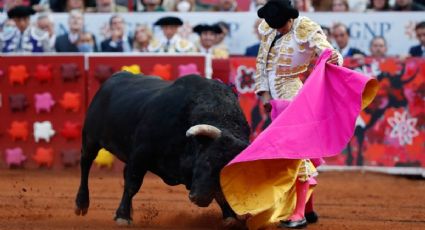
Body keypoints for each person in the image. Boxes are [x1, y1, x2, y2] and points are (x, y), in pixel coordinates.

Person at [251, 0, 342, 228]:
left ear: (290, 18)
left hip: (293, 97)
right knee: (297, 153)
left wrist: (333, 58)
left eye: (281, 25)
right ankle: (308, 210)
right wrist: (264, 96)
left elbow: (329, 51)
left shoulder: (306, 27)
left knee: (296, 154)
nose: (277, 29)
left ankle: (299, 214)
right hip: (275, 99)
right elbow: (262, 62)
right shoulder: (270, 27)